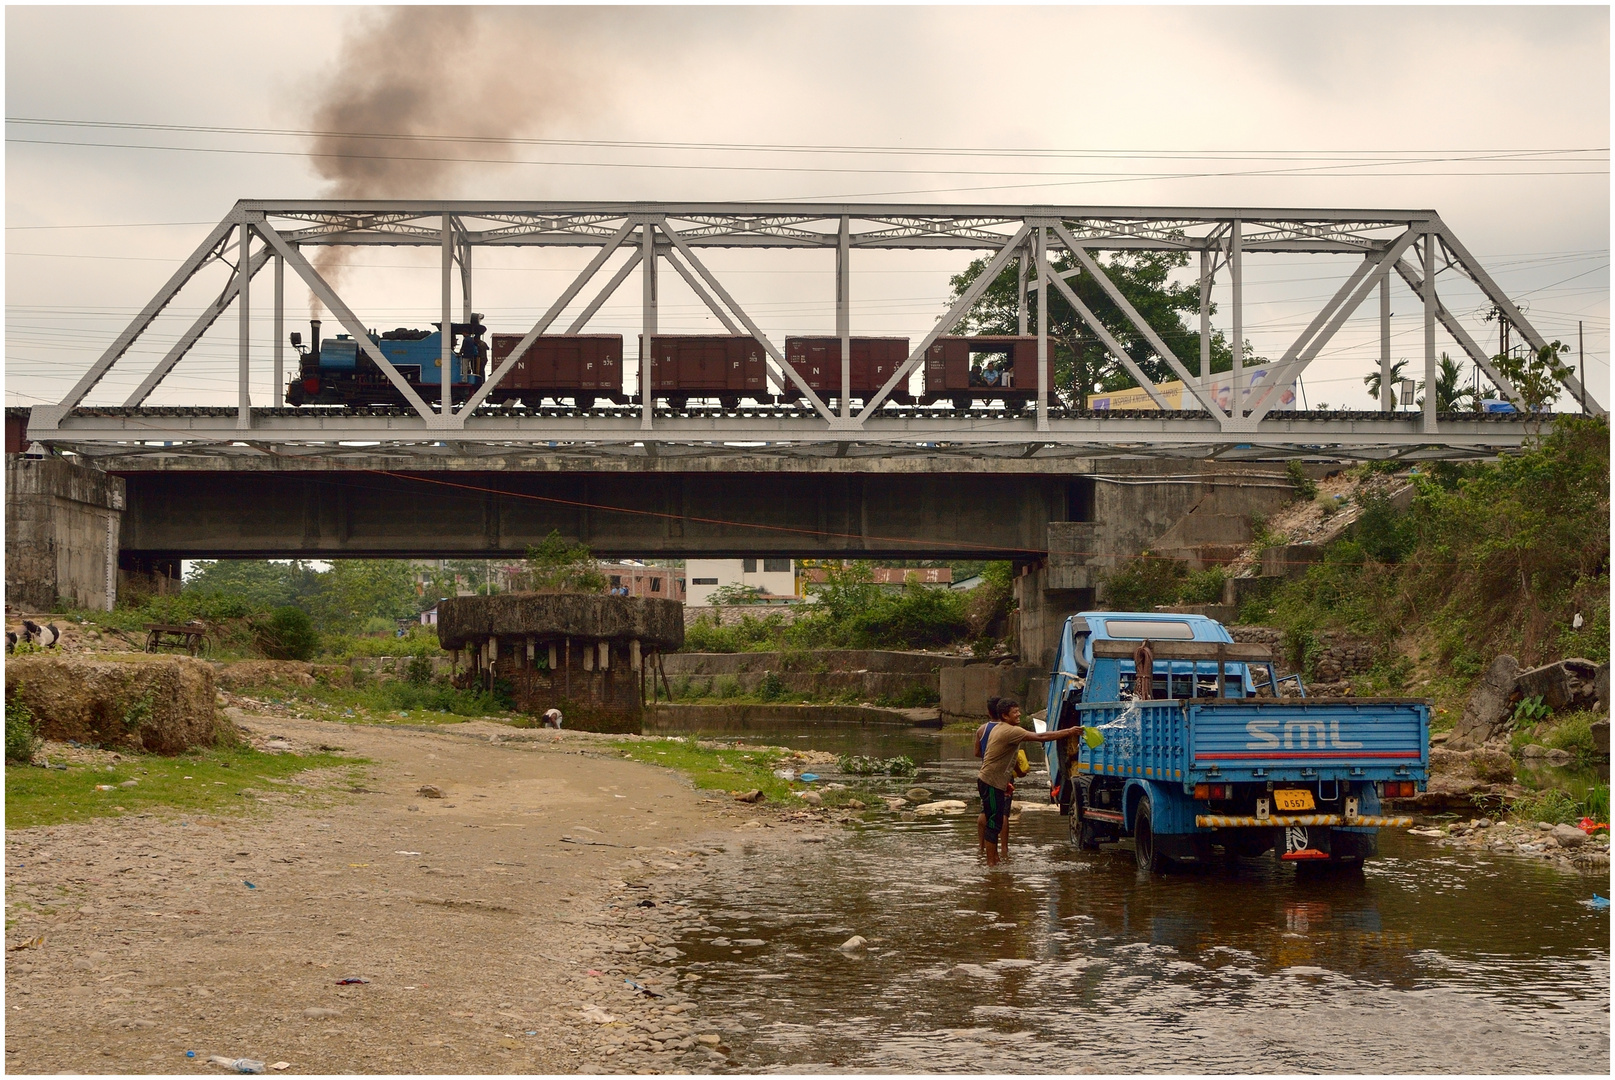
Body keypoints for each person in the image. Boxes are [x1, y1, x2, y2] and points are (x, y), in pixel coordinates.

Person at [976, 698, 1083, 865]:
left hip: (992, 780)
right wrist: (1069, 731)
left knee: (995, 821)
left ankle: (994, 859)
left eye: (1018, 710)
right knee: (993, 822)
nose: (1019, 714)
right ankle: (991, 864)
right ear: (1004, 715)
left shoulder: (1000, 728)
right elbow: (1042, 736)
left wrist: (1005, 781)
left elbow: (998, 757)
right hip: (990, 781)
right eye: (1015, 712)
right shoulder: (1011, 731)